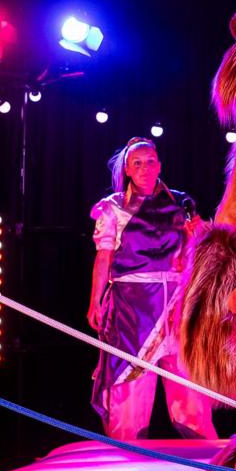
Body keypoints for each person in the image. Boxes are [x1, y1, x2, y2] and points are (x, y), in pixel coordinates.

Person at [88, 137, 217, 440]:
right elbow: (104, 256)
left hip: (177, 304)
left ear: (159, 165)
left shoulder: (182, 203)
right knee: (129, 396)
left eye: (150, 162)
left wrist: (199, 235)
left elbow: (201, 253)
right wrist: (95, 301)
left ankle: (206, 466)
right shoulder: (113, 208)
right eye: (137, 163)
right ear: (127, 170)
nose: (144, 168)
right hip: (134, 309)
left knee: (191, 396)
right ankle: (124, 460)